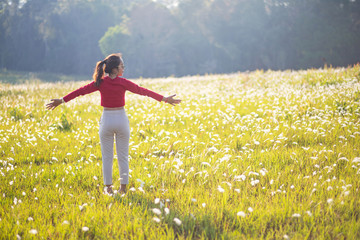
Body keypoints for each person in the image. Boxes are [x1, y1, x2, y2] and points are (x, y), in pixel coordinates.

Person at [46, 53, 181, 195]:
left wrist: (61, 100)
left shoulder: (100, 82)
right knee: (123, 156)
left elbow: (80, 92)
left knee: (107, 157)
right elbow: (143, 91)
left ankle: (108, 189)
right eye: (122, 66)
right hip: (121, 119)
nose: (124, 68)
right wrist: (164, 99)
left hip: (107, 120)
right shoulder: (124, 82)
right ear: (115, 69)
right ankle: (123, 190)